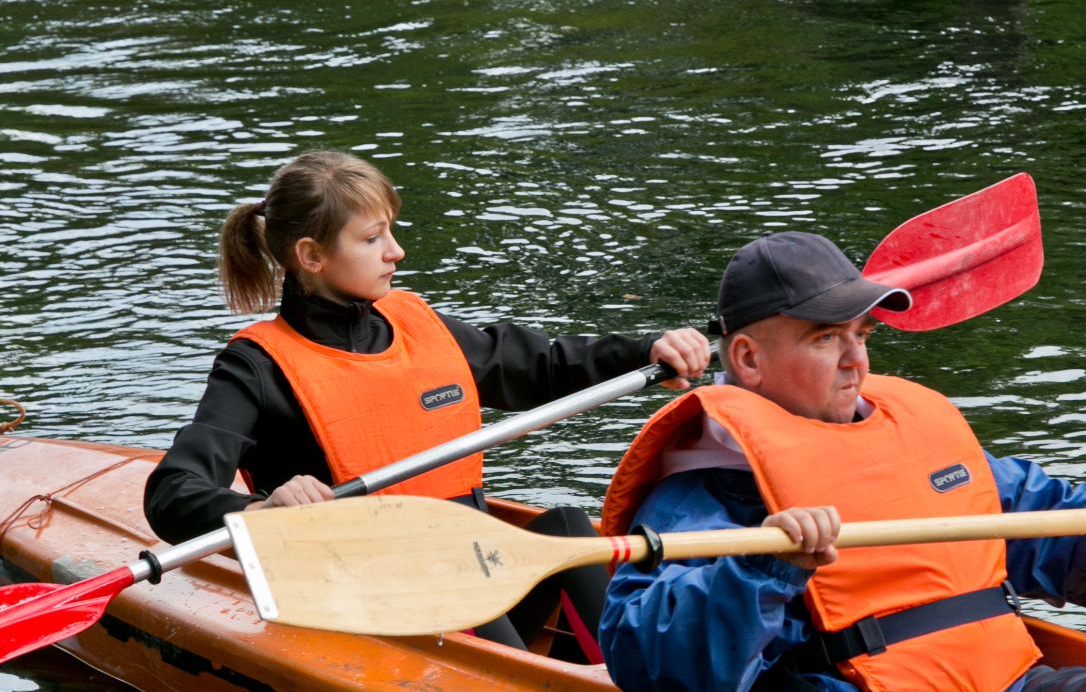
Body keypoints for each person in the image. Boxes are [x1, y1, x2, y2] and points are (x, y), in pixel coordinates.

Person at [597, 230, 1086, 692]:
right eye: (825, 338)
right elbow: (667, 673)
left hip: (1004, 680)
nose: (855, 360)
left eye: (861, 335)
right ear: (748, 359)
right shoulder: (706, 489)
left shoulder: (914, 438)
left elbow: (1050, 523)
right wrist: (765, 566)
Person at [145, 148, 710, 653]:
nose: (396, 251)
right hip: (368, 604)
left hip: (469, 573)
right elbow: (173, 492)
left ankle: (649, 676)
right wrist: (260, 512)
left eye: (390, 232)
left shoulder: (418, 325)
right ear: (312, 255)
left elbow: (545, 366)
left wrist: (646, 349)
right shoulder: (257, 367)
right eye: (372, 239)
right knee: (462, 583)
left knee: (565, 526)